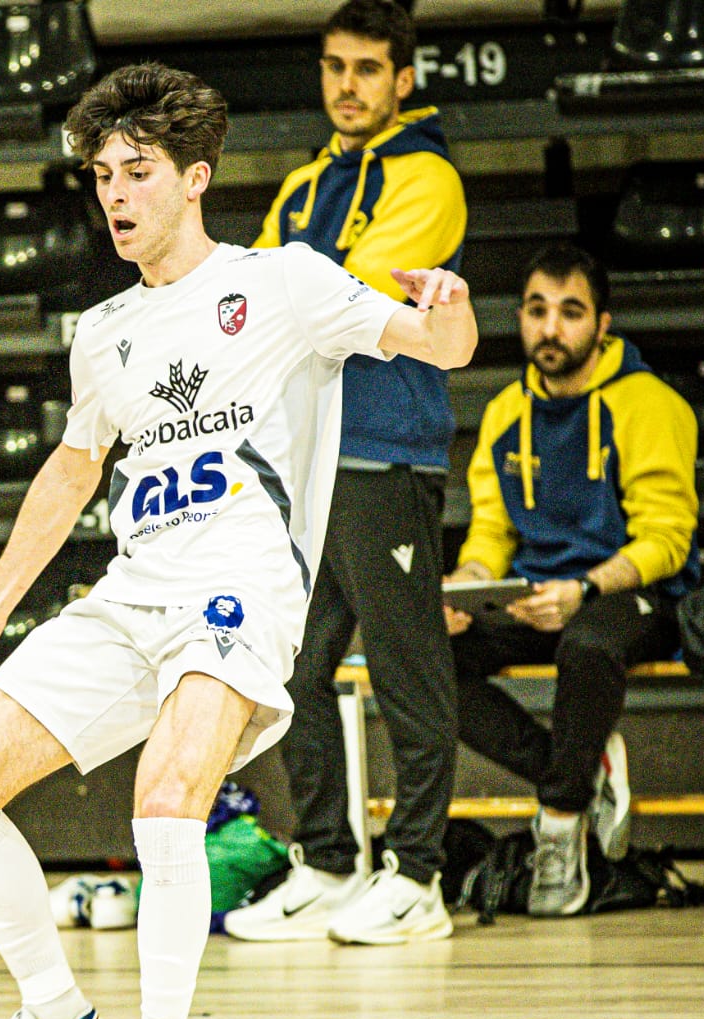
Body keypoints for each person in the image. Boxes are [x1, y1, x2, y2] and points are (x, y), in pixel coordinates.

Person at [0, 62, 475, 1019]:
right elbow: (71, 474)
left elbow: (436, 349)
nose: (113, 194)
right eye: (100, 176)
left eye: (136, 171)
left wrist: (443, 312)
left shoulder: (285, 285)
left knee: (165, 801)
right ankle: (54, 1015)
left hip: (239, 593)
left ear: (193, 179)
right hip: (131, 593)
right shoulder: (103, 329)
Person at [228, 0, 469, 947]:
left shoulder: (431, 177)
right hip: (303, 459)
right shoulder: (300, 184)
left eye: (367, 69)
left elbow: (343, 299)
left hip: (387, 448)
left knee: (408, 668)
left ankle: (419, 875)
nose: (347, 86)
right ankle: (328, 861)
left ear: (403, 79)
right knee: (292, 663)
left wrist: (290, 286)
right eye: (335, 67)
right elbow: (254, 294)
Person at [446, 244, 697, 917]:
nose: (550, 328)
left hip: (633, 594)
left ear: (603, 323)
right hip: (538, 595)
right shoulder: (504, 412)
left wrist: (584, 588)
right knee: (432, 654)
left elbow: (668, 537)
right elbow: (491, 535)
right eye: (537, 310)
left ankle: (560, 816)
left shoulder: (648, 403)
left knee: (586, 644)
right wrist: (469, 589)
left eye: (570, 312)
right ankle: (581, 766)